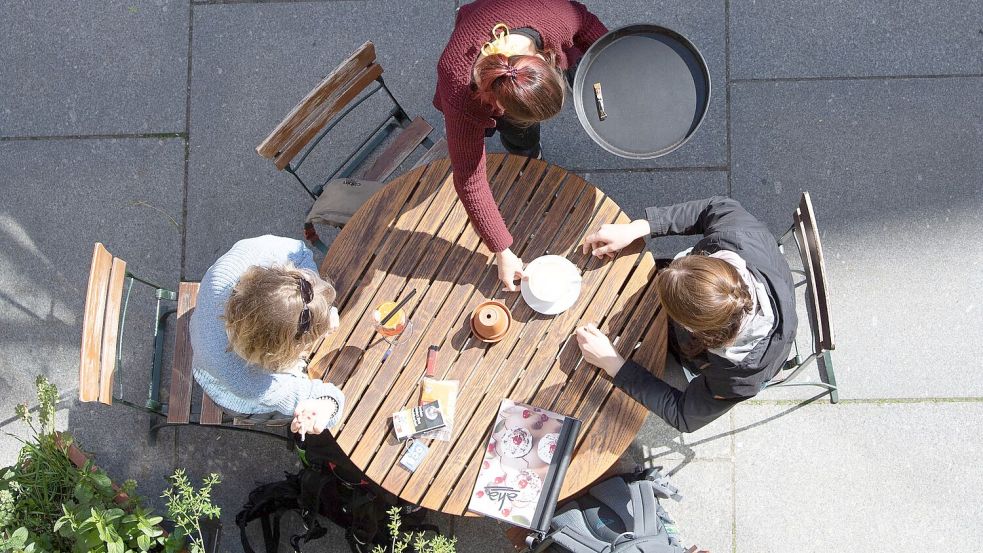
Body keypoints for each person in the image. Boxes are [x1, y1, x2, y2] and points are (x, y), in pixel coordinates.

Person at [574, 197, 797, 432]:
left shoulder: (738, 377)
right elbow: (715, 207)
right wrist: (638, 228)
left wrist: (614, 364)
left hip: (701, 354)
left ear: (693, 330)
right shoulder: (737, 236)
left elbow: (684, 416)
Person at [434, 0, 608, 291]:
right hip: (472, 54)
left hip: (510, 14)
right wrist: (501, 250)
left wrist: (613, 65)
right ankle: (526, 150)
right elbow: (469, 179)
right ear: (498, 106)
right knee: (519, 136)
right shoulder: (459, 90)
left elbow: (587, 23)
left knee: (524, 132)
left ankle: (529, 152)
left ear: (544, 59)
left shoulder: (555, 18)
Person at [190, 235, 345, 438]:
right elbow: (328, 398)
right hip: (226, 389)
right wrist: (322, 409)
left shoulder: (228, 271)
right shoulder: (252, 382)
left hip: (204, 332)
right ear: (277, 355)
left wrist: (316, 306)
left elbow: (299, 252)